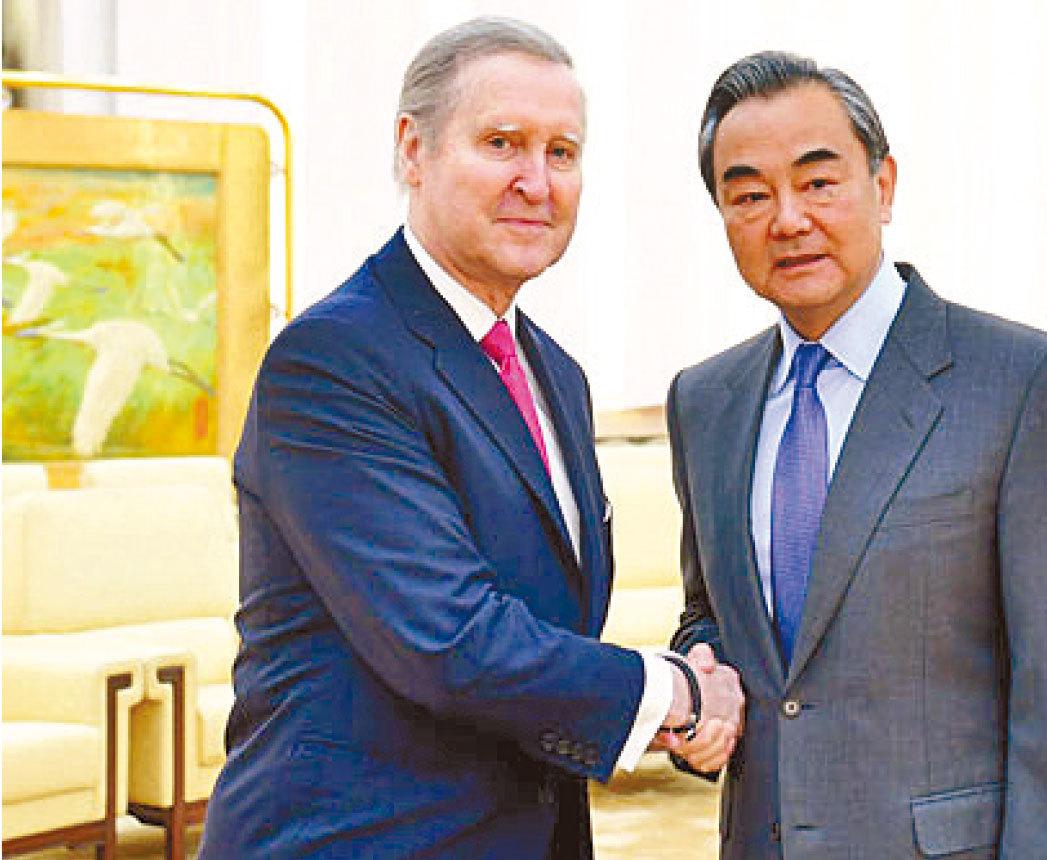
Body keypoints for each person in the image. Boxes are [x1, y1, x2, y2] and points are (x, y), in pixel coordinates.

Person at [199, 17, 741, 859]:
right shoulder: (334, 359)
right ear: (413, 149)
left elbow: (548, 623)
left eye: (563, 152)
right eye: (502, 143)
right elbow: (450, 640)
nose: (537, 181)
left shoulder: (555, 375)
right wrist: (670, 692)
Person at [666, 51, 1047, 859]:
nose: (788, 219)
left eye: (819, 182)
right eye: (750, 195)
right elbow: (711, 614)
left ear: (883, 186)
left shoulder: (1027, 385)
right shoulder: (705, 402)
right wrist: (700, 681)